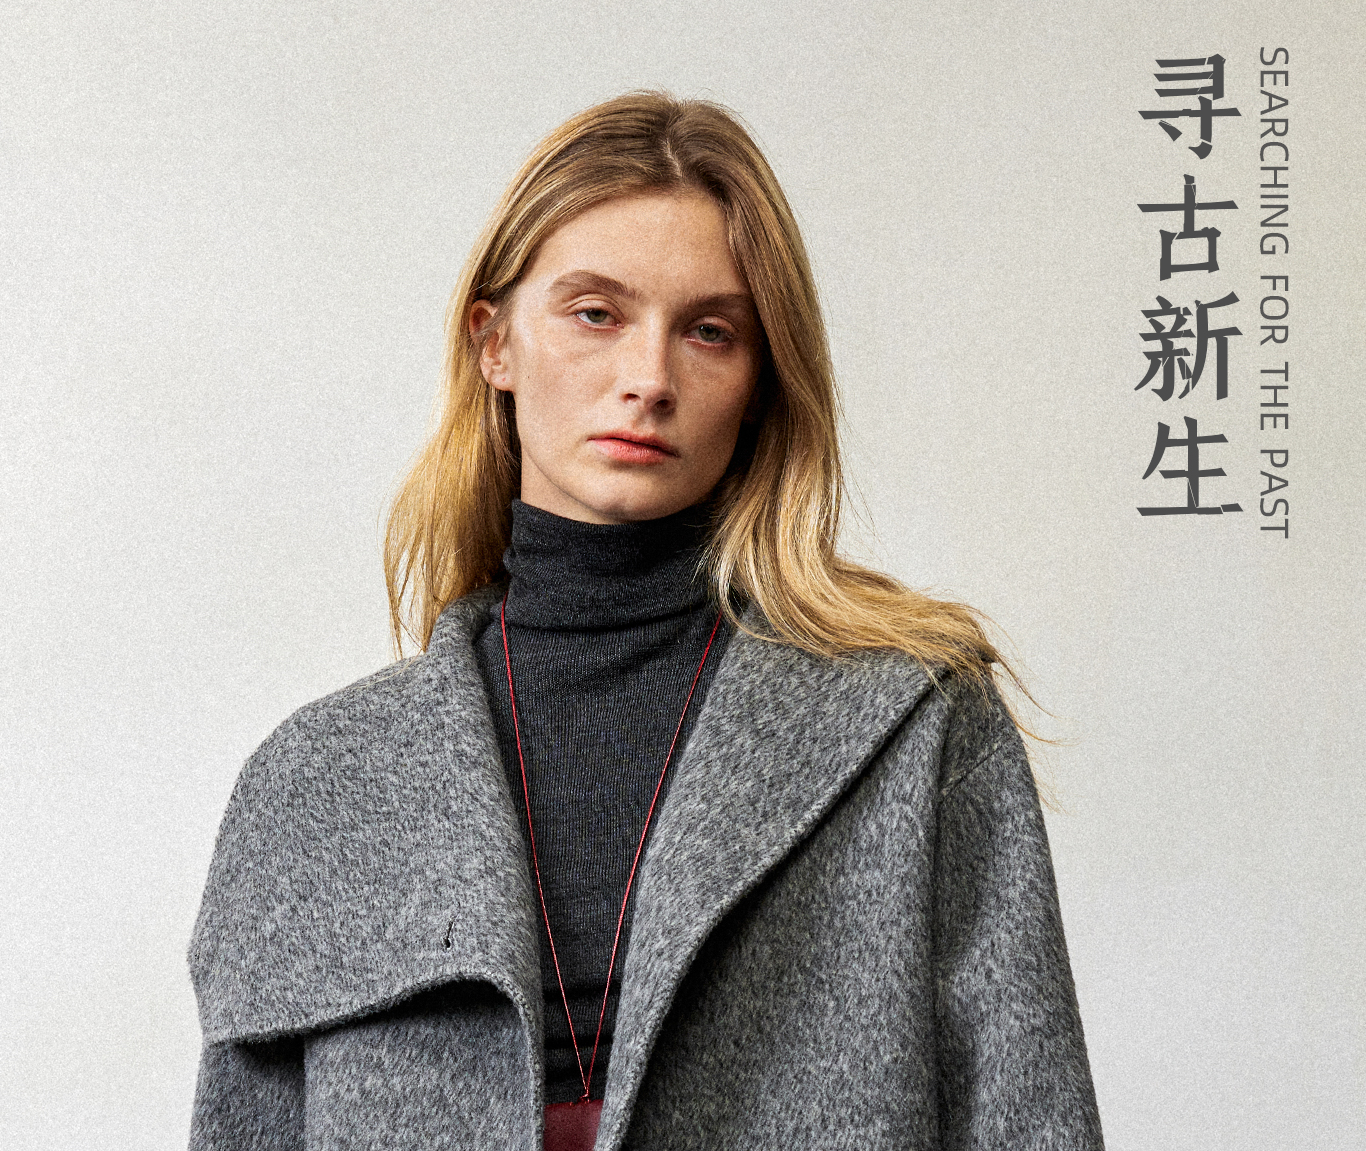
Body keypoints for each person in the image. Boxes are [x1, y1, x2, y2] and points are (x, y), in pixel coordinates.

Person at [186, 91, 1103, 1151]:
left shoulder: (914, 724)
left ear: (760, 382)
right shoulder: (317, 781)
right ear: (494, 342)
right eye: (596, 313)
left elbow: (1031, 1119)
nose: (649, 379)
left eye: (710, 332)